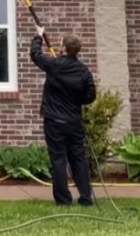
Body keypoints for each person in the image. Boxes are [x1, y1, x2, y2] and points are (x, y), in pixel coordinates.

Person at [30, 26, 96, 206]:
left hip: (54, 121)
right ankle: (85, 197)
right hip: (74, 122)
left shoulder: (54, 65)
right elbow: (90, 96)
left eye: (60, 43)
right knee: (78, 158)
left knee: (58, 159)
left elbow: (35, 55)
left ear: (64, 48)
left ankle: (63, 199)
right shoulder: (83, 71)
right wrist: (76, 100)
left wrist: (38, 36)